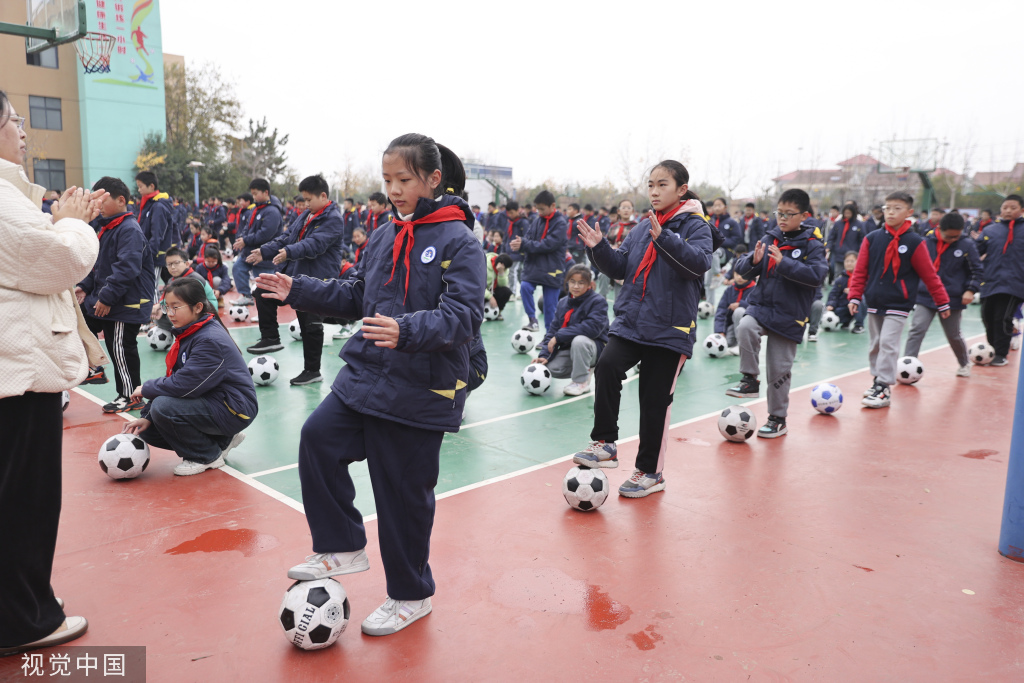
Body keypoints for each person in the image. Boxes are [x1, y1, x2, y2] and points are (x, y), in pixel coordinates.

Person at [257, 134, 484, 636]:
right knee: (318, 437)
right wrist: (298, 289)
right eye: (387, 180)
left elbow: (464, 317)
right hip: (367, 374)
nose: (394, 190)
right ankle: (342, 544)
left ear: (433, 179)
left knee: (400, 496)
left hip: (421, 388)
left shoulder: (460, 242)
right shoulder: (384, 235)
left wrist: (406, 331)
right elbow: (357, 293)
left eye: (404, 179)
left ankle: (411, 595)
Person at [0, 90, 107, 654]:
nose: (22, 130)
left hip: (13, 370)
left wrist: (58, 217)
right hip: (18, 375)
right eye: (14, 120)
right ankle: (24, 619)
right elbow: (57, 260)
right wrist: (71, 225)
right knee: (24, 502)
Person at [572, 160, 715, 497]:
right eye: (651, 184)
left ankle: (650, 472)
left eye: (662, 184)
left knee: (653, 401)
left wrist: (665, 238)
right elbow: (621, 267)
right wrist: (599, 248)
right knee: (607, 366)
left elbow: (697, 264)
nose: (654, 191)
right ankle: (605, 443)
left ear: (681, 189)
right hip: (633, 322)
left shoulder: (697, 226)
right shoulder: (641, 228)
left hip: (670, 329)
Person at [122, 278, 256, 476]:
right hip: (214, 399)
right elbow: (178, 379)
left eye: (176, 307)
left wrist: (147, 388)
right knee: (148, 427)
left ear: (198, 307)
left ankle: (206, 456)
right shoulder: (191, 332)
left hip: (234, 409)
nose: (170, 313)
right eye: (167, 307)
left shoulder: (209, 340)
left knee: (163, 409)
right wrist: (147, 416)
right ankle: (223, 441)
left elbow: (185, 384)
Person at [726, 189, 827, 437]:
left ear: (804, 216)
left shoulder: (812, 245)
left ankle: (777, 419)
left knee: (778, 371)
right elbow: (743, 269)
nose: (782, 218)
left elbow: (817, 276)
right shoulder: (770, 238)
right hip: (762, 306)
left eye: (788, 214)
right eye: (779, 213)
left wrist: (784, 263)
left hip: (790, 314)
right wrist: (753, 261)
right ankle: (749, 379)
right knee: (745, 325)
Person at [848, 191, 951, 408]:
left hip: (899, 303)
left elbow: (929, 275)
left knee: (888, 342)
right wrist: (855, 296)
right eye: (888, 208)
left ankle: (884, 386)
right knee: (875, 344)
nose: (891, 212)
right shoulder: (871, 238)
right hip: (874, 300)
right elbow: (860, 271)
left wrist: (942, 301)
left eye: (897, 208)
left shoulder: (915, 242)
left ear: (909, 212)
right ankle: (877, 380)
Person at [248, 174, 344, 386]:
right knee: (262, 290)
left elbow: (315, 244)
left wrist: (289, 252)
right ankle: (271, 338)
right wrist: (264, 251)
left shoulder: (333, 219)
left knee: (310, 324)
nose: (305, 204)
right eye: (304, 199)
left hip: (317, 279)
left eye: (309, 199)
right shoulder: (306, 215)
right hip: (296, 273)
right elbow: (287, 236)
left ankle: (312, 370)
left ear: (323, 196)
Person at [75, 176, 157, 414]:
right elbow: (100, 265)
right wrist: (85, 286)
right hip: (109, 297)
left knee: (121, 347)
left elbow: (127, 269)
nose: (98, 206)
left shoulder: (128, 229)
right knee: (81, 322)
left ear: (121, 200)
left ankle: (130, 395)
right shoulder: (108, 227)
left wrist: (107, 297)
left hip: (126, 303)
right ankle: (94, 368)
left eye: (102, 201)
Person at [904, 213, 981, 376]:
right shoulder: (925, 243)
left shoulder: (966, 245)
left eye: (956, 236)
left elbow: (976, 270)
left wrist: (970, 289)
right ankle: (907, 365)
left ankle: (964, 363)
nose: (953, 239)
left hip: (952, 298)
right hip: (926, 295)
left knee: (953, 334)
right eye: (949, 236)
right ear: (939, 229)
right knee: (917, 329)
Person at [533, 265, 609, 396]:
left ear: (589, 284)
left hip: (595, 348)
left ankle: (581, 382)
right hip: (573, 348)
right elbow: (553, 330)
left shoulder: (598, 301)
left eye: (581, 283)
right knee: (550, 368)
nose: (576, 286)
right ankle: (586, 368)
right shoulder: (563, 303)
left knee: (579, 341)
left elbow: (592, 328)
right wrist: (544, 355)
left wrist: (559, 336)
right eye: (572, 282)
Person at [976, 194, 1024, 367]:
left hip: (1015, 283)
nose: (1008, 211)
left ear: (1022, 210)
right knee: (987, 316)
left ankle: (1000, 353)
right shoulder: (990, 231)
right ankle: (993, 348)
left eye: (1013, 207)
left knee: (1002, 317)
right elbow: (975, 252)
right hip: (990, 281)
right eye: (1005, 207)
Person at [510, 190, 568, 332]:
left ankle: (549, 337)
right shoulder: (537, 221)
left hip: (553, 269)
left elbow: (548, 245)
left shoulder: (560, 223)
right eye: (537, 209)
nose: (539, 212)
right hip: (534, 266)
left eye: (542, 209)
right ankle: (532, 320)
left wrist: (524, 244)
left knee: (550, 308)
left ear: (552, 206)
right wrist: (520, 243)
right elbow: (528, 238)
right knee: (525, 287)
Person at [232, 178, 283, 307]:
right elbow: (247, 227)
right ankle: (246, 296)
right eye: (252, 193)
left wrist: (246, 240)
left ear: (266, 192)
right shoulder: (256, 208)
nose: (253, 197)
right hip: (249, 251)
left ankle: (266, 310)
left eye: (255, 193)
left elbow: (265, 234)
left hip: (264, 254)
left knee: (264, 285)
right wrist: (242, 238)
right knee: (238, 268)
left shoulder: (272, 211)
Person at [134, 171, 174, 296]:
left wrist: (150, 255)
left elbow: (157, 234)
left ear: (151, 186)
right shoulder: (149, 204)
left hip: (154, 255)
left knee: (151, 287)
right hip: (146, 252)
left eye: (141, 186)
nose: (139, 190)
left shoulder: (158, 206)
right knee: (147, 286)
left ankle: (154, 309)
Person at [714, 271, 755, 353]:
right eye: (737, 274)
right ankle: (737, 343)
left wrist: (741, 304)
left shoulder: (755, 289)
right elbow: (721, 311)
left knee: (739, 311)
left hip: (749, 327)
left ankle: (742, 345)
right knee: (726, 343)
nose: (740, 277)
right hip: (733, 325)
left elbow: (757, 307)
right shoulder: (729, 290)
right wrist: (720, 331)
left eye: (743, 274)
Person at [826, 251, 866, 333]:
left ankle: (859, 325)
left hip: (858, 306)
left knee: (859, 298)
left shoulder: (863, 278)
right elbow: (834, 294)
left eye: (852, 261)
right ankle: (846, 322)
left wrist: (853, 292)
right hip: (844, 306)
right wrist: (831, 304)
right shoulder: (840, 280)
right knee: (833, 313)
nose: (849, 263)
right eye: (847, 261)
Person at [486, 252, 514, 320]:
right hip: (481, 293)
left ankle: (498, 313)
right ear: (502, 264)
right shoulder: (484, 264)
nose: (506, 270)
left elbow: (503, 285)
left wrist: (501, 273)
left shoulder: (504, 269)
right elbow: (478, 287)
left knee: (506, 291)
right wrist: (490, 297)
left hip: (493, 291)